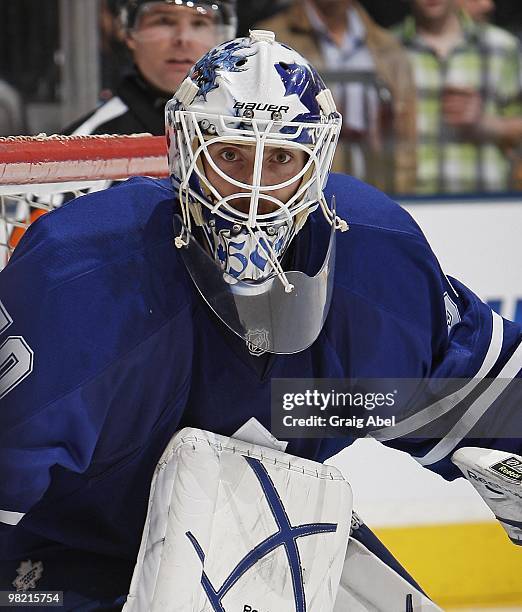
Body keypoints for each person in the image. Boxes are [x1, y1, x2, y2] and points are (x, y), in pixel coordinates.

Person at [0, 31, 521, 610]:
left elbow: (482, 394)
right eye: (230, 154)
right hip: (71, 561)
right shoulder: (81, 275)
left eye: (279, 158)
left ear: (315, 165)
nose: (253, 191)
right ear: (185, 154)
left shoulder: (372, 259)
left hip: (263, 540)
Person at [255, 0, 417, 194]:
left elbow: (405, 134)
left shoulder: (387, 46)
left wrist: (403, 194)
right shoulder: (271, 40)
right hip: (299, 194)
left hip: (375, 189)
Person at [394, 0, 522, 194]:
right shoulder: (386, 48)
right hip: (408, 200)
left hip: (487, 201)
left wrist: (484, 124)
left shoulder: (502, 47)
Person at [66, 0, 237, 136]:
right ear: (129, 34)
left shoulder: (246, 124)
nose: (183, 38)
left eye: (199, 23)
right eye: (164, 21)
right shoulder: (86, 146)